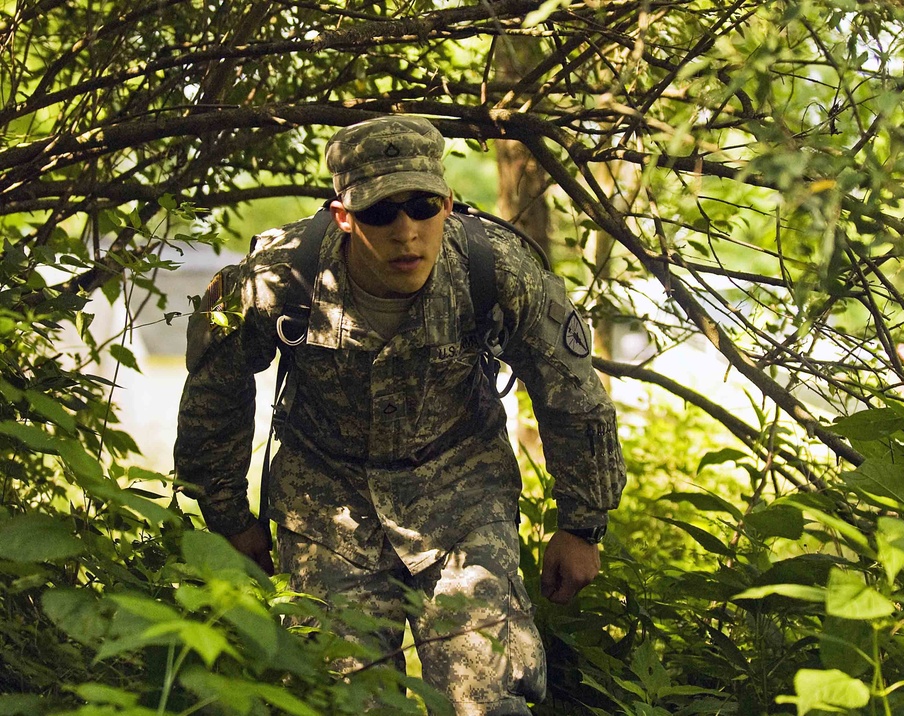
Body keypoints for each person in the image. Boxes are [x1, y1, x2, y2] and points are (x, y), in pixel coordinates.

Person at [173, 115, 627, 715]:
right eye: (380, 213)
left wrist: (582, 523)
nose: (406, 232)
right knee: (342, 701)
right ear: (343, 216)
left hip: (463, 498)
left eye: (422, 206)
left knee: (489, 695)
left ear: (449, 203)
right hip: (325, 506)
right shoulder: (280, 279)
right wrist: (230, 517)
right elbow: (214, 390)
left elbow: (572, 393)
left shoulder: (497, 270)